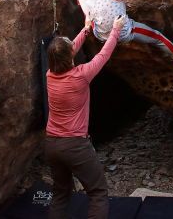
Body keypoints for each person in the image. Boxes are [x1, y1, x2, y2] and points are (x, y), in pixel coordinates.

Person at [45, 15, 124, 219]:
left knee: (60, 193)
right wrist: (116, 29)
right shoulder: (81, 75)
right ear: (70, 56)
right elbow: (103, 55)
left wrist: (86, 29)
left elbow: (67, 51)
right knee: (98, 193)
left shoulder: (49, 76)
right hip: (75, 146)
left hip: (52, 144)